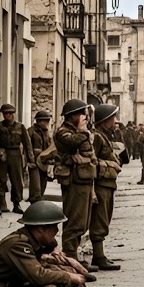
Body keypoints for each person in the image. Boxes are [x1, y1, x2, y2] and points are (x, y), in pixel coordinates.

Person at [52, 98, 98, 271]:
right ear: (72, 116)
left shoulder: (80, 131)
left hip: (84, 179)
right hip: (73, 181)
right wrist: (83, 132)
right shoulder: (63, 132)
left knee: (83, 221)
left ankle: (75, 256)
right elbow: (72, 142)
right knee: (74, 220)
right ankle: (70, 258)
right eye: (81, 114)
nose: (85, 117)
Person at [88, 104, 123, 271]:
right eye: (112, 118)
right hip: (100, 185)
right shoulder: (97, 137)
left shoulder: (105, 136)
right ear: (104, 120)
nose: (114, 121)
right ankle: (98, 256)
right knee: (99, 220)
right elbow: (91, 162)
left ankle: (100, 255)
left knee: (105, 218)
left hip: (108, 184)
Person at [0, 103, 33, 215]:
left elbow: (27, 144)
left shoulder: (20, 127)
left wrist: (30, 159)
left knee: (17, 180)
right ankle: (2, 203)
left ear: (13, 114)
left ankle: (16, 204)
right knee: (1, 179)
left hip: (16, 154)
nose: (7, 115)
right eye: (5, 113)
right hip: (3, 154)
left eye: (9, 113)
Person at [27, 110, 53, 206]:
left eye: (47, 120)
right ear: (39, 121)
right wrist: (29, 160)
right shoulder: (31, 131)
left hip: (44, 161)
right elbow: (27, 146)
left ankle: (38, 201)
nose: (46, 123)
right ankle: (34, 202)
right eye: (45, 120)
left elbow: (50, 146)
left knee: (43, 184)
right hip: (34, 160)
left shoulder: (48, 133)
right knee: (35, 185)